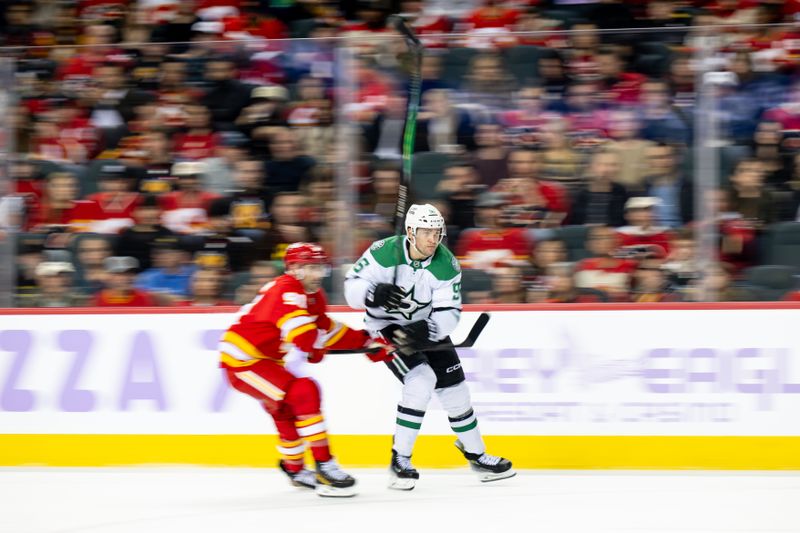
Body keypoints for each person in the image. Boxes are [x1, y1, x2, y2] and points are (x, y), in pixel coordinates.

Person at [344, 204, 515, 490]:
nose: (433, 239)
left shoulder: (447, 264)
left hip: (425, 327)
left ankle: (476, 454)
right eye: (426, 232)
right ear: (411, 232)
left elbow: (450, 311)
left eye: (437, 232)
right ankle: (400, 460)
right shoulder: (382, 252)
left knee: (457, 391)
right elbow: (351, 290)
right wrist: (373, 292)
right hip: (387, 328)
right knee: (421, 381)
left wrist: (430, 329)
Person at [218, 242, 395, 497]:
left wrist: (366, 342)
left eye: (320, 267)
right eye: (309, 268)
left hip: (264, 360)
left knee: (287, 409)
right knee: (303, 392)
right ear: (294, 269)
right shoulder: (287, 292)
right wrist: (317, 346)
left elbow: (326, 330)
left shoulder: (311, 294)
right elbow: (305, 340)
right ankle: (324, 465)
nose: (317, 274)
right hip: (242, 362)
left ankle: (295, 469)